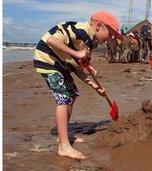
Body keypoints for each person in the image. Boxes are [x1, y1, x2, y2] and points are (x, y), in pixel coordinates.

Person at [33, 11, 123, 160]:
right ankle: (64, 146)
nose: (111, 38)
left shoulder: (89, 42)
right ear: (99, 26)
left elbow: (77, 69)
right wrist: (77, 54)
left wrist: (96, 86)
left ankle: (63, 136)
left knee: (72, 94)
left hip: (62, 64)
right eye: (111, 33)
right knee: (63, 98)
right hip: (47, 59)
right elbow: (51, 41)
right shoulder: (80, 31)